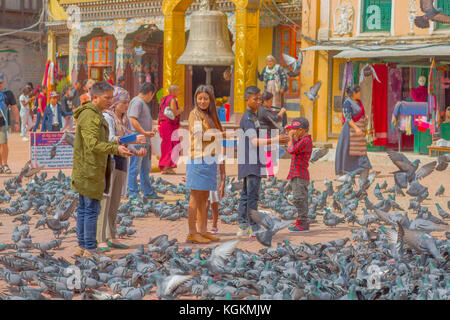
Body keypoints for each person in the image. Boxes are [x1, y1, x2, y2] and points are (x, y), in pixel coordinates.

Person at [71, 81, 133, 258]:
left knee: (85, 209)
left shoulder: (95, 113)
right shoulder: (91, 116)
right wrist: (115, 148)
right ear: (95, 97)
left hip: (90, 169)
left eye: (111, 98)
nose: (110, 101)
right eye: (107, 98)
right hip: (90, 170)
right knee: (90, 210)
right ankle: (90, 248)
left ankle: (83, 246)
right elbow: (92, 144)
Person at [96, 87, 147, 252]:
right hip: (109, 163)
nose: (126, 106)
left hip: (122, 162)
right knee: (105, 201)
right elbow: (111, 139)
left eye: (127, 102)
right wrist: (132, 138)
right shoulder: (108, 117)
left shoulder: (124, 120)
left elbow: (127, 142)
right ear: (116, 103)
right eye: (124, 102)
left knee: (115, 202)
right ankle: (100, 237)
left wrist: (137, 150)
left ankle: (112, 235)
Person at [237, 86, 289, 238]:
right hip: (250, 160)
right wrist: (276, 140)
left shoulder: (254, 116)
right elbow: (253, 141)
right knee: (252, 195)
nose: (259, 101)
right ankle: (253, 227)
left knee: (246, 194)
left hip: (253, 159)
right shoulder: (247, 118)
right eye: (255, 99)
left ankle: (242, 226)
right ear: (247, 100)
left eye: (260, 98)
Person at [186, 85, 224, 244]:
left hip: (210, 159)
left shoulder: (210, 115)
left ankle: (203, 230)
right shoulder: (194, 114)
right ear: (195, 98)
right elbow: (199, 135)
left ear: (211, 100)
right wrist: (218, 134)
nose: (202, 101)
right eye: (200, 98)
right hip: (198, 159)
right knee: (195, 197)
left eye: (206, 98)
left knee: (205, 198)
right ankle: (192, 232)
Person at [127, 82, 162, 201]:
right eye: (152, 96)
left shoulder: (142, 103)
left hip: (144, 140)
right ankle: (133, 193)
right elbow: (132, 119)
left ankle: (147, 191)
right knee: (135, 167)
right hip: (138, 139)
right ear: (150, 93)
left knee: (145, 169)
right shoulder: (137, 102)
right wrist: (144, 132)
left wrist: (150, 130)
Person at [335, 85, 372, 176]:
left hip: (359, 130)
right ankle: (344, 170)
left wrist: (365, 116)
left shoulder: (358, 102)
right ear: (354, 93)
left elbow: (361, 113)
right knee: (348, 150)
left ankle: (364, 168)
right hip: (350, 130)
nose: (360, 93)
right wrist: (356, 128)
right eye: (358, 92)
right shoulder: (347, 103)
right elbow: (348, 118)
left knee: (361, 149)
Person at [285, 117, 313, 232]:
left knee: (299, 198)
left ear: (302, 130)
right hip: (297, 174)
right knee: (300, 198)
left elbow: (291, 150)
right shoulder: (302, 139)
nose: (293, 131)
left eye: (295, 129)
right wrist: (291, 137)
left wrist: (290, 138)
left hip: (299, 175)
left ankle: (303, 223)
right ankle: (302, 220)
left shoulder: (306, 140)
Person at [258, 91, 287, 177]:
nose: (271, 103)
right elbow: (275, 119)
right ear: (265, 101)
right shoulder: (264, 110)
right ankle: (270, 175)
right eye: (270, 101)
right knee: (271, 154)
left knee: (269, 155)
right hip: (266, 135)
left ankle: (270, 174)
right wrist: (281, 112)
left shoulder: (262, 109)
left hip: (266, 134)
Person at [158, 84, 183, 174]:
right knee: (172, 145)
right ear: (173, 91)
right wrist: (180, 110)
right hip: (169, 124)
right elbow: (174, 113)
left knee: (167, 144)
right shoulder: (172, 99)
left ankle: (167, 167)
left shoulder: (165, 99)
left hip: (163, 124)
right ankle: (166, 167)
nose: (179, 92)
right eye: (178, 90)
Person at [0, 74, 20, 174]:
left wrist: (17, 122)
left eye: (0, 82)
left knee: (3, 143)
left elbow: (14, 108)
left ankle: (5, 164)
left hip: (2, 122)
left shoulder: (7, 94)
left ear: (3, 82)